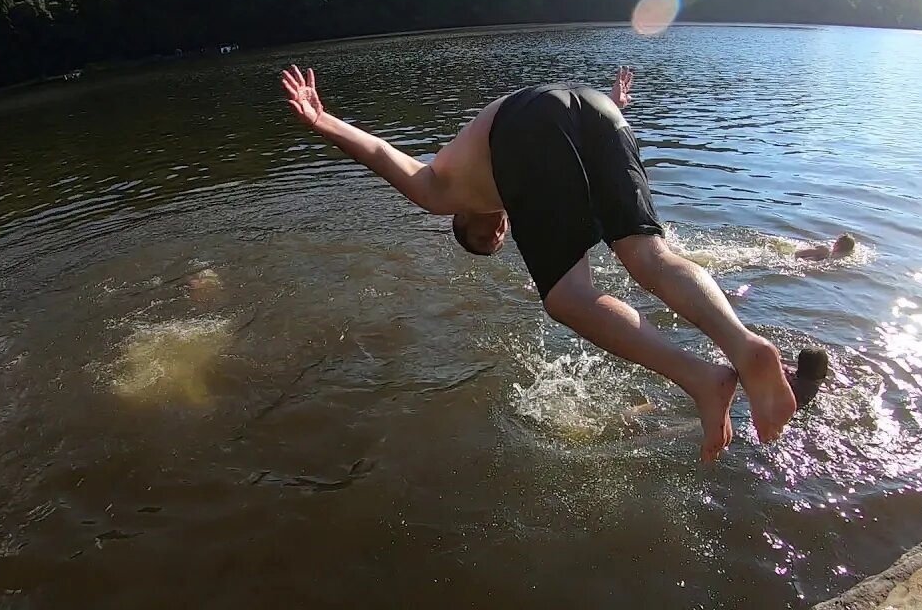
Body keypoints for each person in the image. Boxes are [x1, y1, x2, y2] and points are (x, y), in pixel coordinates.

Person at [280, 64, 796, 461]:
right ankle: (743, 345)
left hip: (531, 122)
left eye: (481, 233)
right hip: (595, 108)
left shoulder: (436, 190)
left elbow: (379, 150)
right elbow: (570, 122)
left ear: (460, 218)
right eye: (495, 240)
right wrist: (614, 105)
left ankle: (704, 379)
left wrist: (321, 120)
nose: (496, 230)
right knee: (649, 255)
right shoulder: (513, 185)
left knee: (567, 297)